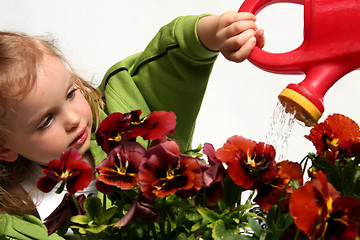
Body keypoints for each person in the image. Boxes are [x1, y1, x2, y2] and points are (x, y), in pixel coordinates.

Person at [0, 11, 264, 239]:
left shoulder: (122, 110)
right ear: (4, 148)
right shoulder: (17, 217)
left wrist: (212, 33)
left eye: (70, 94)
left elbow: (168, 63)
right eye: (46, 121)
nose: (72, 119)